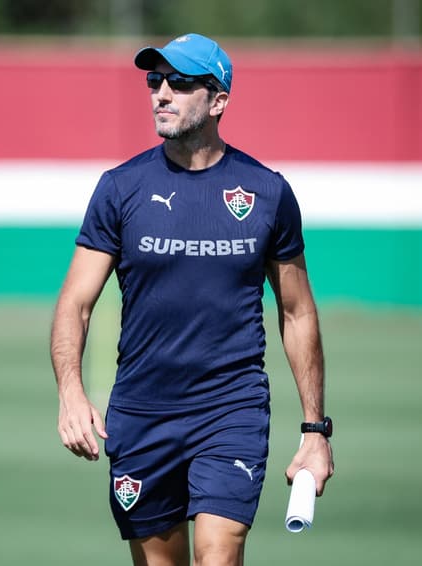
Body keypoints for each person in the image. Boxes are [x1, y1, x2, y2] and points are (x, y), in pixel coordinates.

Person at [50, 33, 334, 566]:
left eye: (179, 82)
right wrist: (71, 390)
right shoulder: (120, 188)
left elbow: (297, 312)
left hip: (231, 407)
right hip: (140, 412)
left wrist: (316, 430)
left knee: (218, 554)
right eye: (154, 80)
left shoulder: (267, 191)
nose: (161, 92)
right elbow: (75, 303)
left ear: (219, 99)